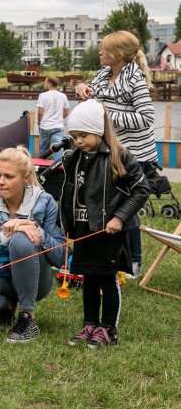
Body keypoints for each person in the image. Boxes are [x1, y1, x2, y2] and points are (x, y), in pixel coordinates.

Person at [60, 100, 149, 348]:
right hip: (82, 229)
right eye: (74, 136)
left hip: (109, 230)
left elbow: (141, 190)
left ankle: (109, 328)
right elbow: (69, 192)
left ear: (98, 130)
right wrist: (66, 222)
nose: (78, 141)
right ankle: (90, 324)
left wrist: (120, 217)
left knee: (107, 277)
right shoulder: (74, 157)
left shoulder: (119, 156)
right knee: (89, 277)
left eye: (83, 135)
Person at [75, 30, 156, 278]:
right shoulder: (103, 75)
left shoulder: (135, 80)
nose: (99, 52)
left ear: (119, 55)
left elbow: (146, 118)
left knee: (126, 209)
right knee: (110, 206)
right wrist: (81, 88)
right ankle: (111, 257)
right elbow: (91, 92)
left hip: (135, 155)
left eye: (104, 49)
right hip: (111, 152)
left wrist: (106, 116)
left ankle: (135, 262)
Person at [0, 146, 66, 343]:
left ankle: (28, 316)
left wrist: (34, 228)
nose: (0, 182)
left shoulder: (45, 202)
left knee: (22, 239)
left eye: (8, 176)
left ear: (26, 177)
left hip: (36, 282)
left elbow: (60, 256)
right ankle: (9, 304)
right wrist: (5, 234)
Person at [37, 76, 69, 161]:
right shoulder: (63, 96)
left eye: (45, 82)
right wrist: (58, 118)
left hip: (45, 126)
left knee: (43, 148)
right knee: (58, 148)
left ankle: (41, 167)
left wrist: (39, 123)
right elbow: (66, 112)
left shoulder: (42, 96)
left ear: (49, 84)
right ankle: (58, 168)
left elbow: (40, 113)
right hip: (58, 126)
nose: (44, 84)